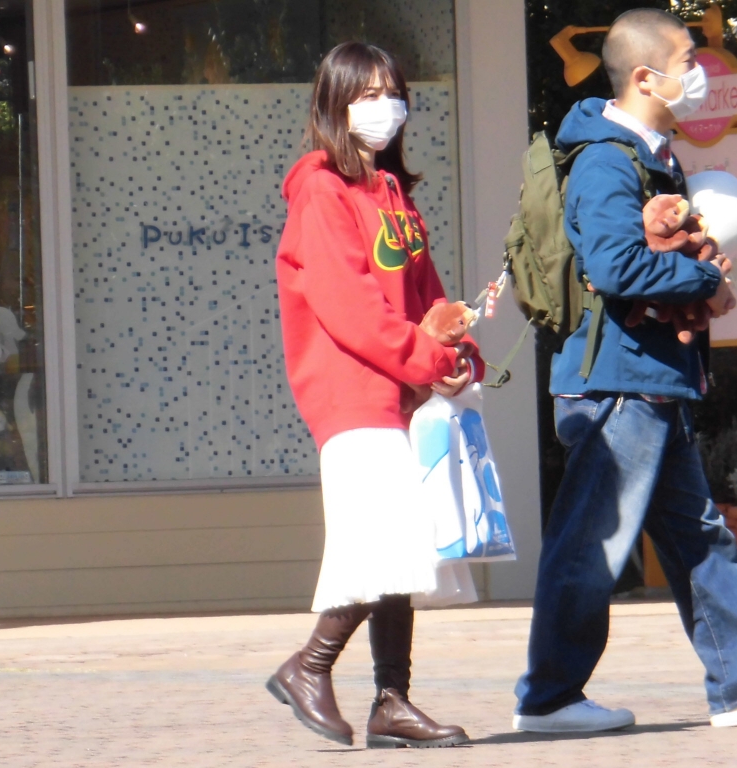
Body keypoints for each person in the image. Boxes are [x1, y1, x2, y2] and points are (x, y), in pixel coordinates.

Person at [512, 9, 737, 733]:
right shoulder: (607, 160)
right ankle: (549, 698)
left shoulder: (651, 154)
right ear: (645, 76)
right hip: (617, 385)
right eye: (687, 59)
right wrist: (705, 275)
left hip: (646, 379)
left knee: (697, 536)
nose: (699, 72)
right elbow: (615, 266)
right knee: (591, 545)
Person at [268, 41, 482, 750]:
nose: (385, 106)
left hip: (402, 392)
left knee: (404, 548)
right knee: (387, 541)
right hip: (352, 391)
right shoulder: (320, 191)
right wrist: (428, 359)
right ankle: (309, 665)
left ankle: (392, 701)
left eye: (393, 93)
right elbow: (351, 309)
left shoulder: (391, 192)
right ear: (334, 104)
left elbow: (426, 295)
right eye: (366, 94)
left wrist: (458, 357)